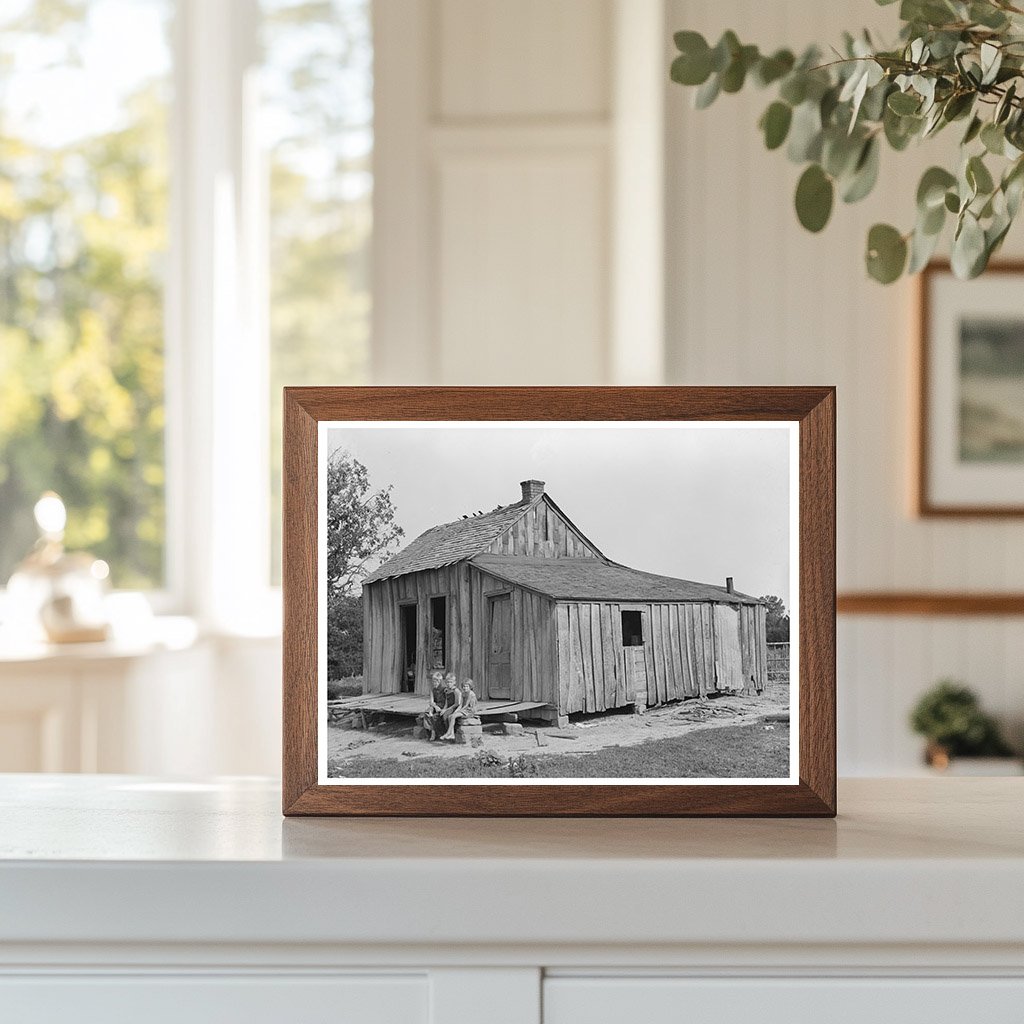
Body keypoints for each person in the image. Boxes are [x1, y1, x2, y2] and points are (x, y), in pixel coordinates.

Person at [419, 671, 446, 741]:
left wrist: (439, 707)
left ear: (439, 681)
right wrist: (434, 707)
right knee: (427, 713)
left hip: (442, 706)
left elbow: (446, 701)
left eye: (435, 682)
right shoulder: (433, 690)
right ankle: (431, 731)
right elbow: (431, 701)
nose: (434, 683)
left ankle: (434, 732)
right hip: (435, 706)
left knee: (435, 716)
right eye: (433, 682)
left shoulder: (444, 689)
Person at [439, 672, 463, 741]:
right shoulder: (446, 690)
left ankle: (451, 733)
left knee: (447, 715)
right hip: (449, 707)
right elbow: (446, 702)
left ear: (454, 682)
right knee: (442, 715)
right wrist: (444, 709)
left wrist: (447, 710)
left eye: (450, 682)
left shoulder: (456, 691)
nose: (449, 684)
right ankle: (448, 732)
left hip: (454, 707)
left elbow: (457, 703)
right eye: (448, 682)